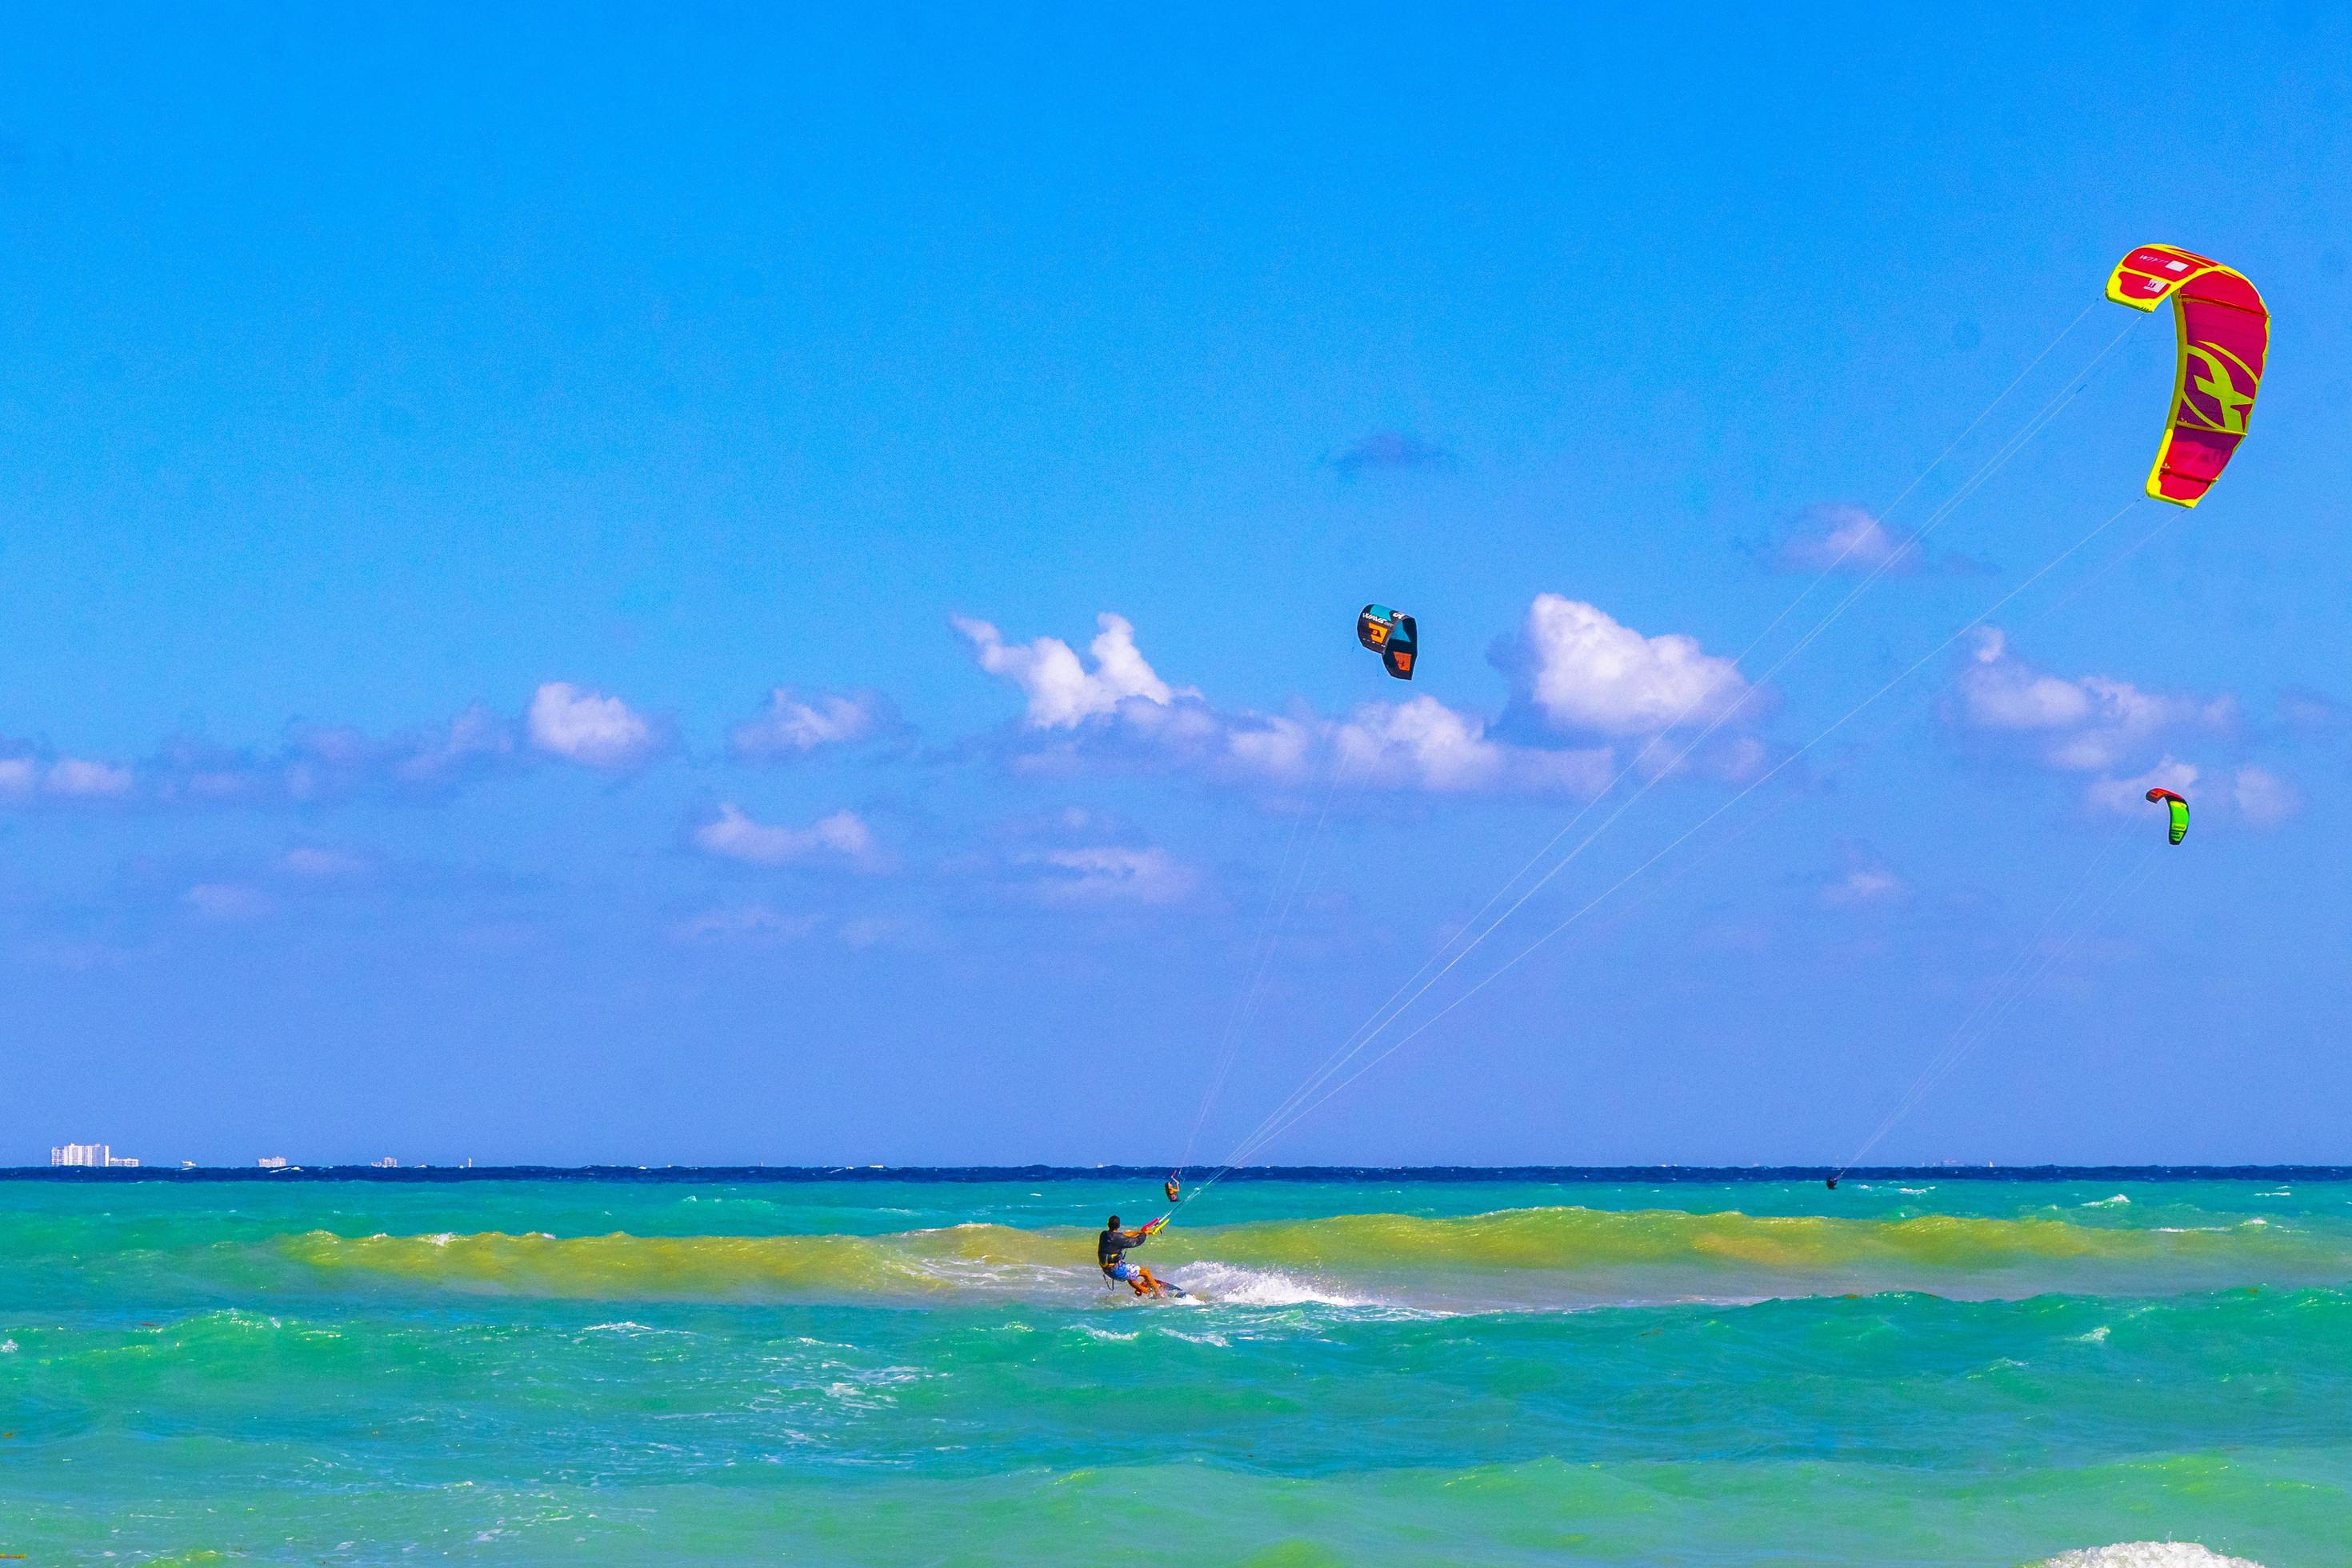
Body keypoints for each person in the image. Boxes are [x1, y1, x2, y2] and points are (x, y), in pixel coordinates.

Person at [1097, 1213, 1169, 1298]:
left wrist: (1140, 1232)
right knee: (1146, 1272)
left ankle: (1145, 1291)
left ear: (1108, 1225)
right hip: (1117, 1271)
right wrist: (1144, 1234)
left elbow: (1124, 1235)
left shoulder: (1104, 1235)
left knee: (1130, 1276)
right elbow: (1137, 1241)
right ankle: (1159, 1294)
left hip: (1107, 1270)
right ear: (1119, 1226)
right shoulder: (1120, 1239)